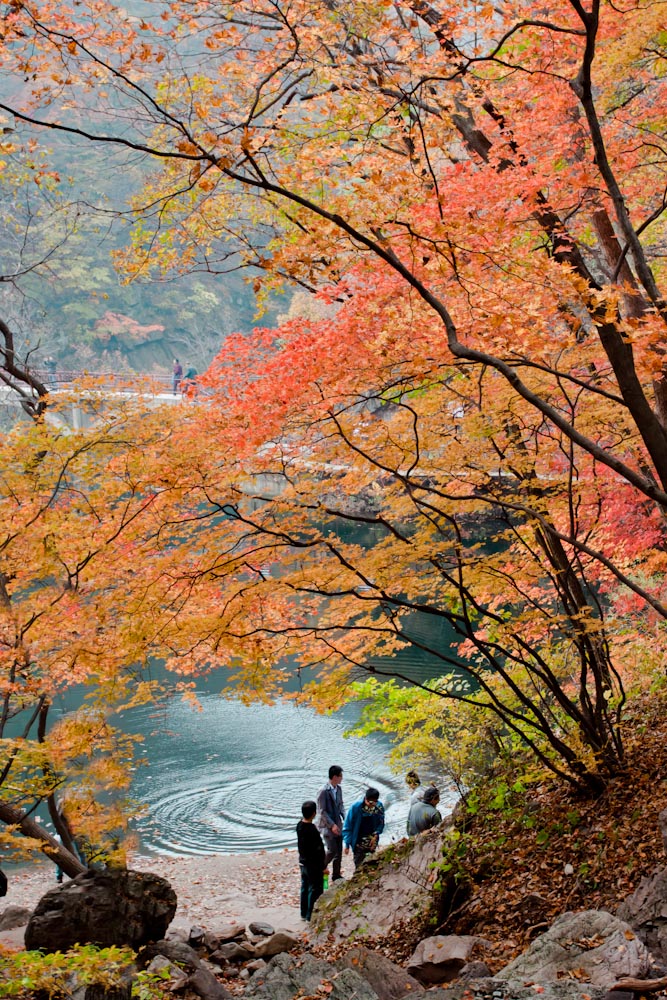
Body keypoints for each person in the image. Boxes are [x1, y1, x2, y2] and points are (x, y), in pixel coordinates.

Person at [296, 799, 326, 921]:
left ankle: (303, 913)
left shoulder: (299, 826)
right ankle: (311, 915)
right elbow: (318, 850)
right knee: (315, 888)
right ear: (314, 813)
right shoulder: (311, 830)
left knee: (305, 886)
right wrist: (323, 866)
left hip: (302, 861)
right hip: (313, 864)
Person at [342, 786, 385, 868]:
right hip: (358, 842)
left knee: (371, 865)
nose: (370, 805)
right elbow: (347, 826)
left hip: (372, 842)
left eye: (373, 803)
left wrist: (376, 835)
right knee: (359, 866)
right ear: (365, 799)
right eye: (369, 802)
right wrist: (347, 844)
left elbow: (381, 823)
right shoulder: (355, 807)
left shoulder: (379, 807)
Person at [316, 764, 345, 882]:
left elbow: (341, 805)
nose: (342, 778)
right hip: (327, 826)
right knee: (332, 850)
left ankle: (336, 875)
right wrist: (332, 825)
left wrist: (345, 817)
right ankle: (320, 867)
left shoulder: (339, 789)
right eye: (340, 776)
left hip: (338, 824)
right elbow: (322, 811)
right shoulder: (323, 791)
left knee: (339, 851)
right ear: (334, 777)